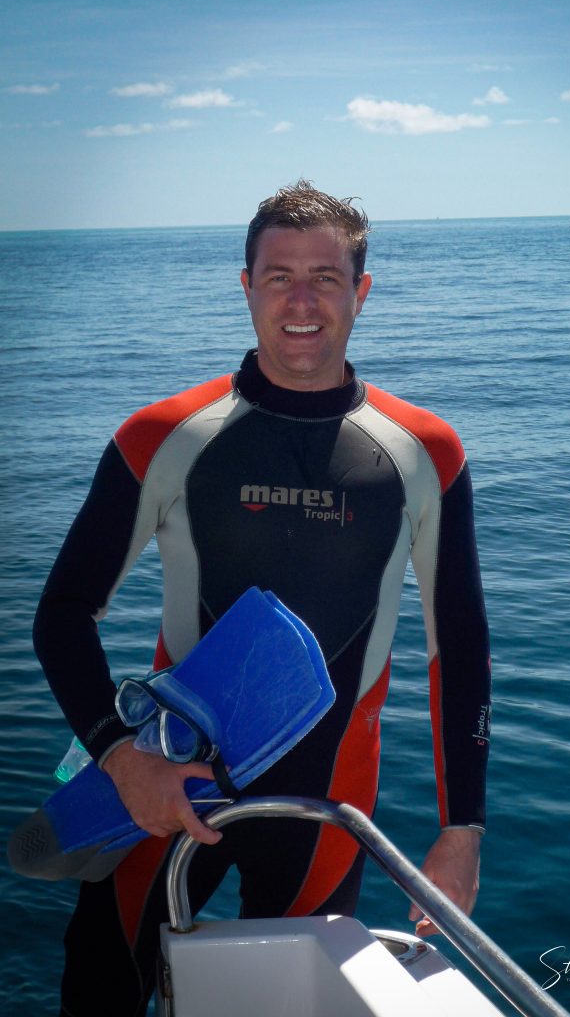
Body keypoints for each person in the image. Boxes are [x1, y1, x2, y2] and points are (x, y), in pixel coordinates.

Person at [33, 180, 491, 1016]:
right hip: (167, 785)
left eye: (326, 275)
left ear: (363, 290)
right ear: (245, 287)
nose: (303, 299)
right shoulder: (165, 435)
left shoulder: (425, 451)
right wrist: (120, 756)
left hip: (326, 804)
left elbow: (457, 647)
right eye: (278, 275)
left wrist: (461, 832)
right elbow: (62, 613)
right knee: (98, 991)